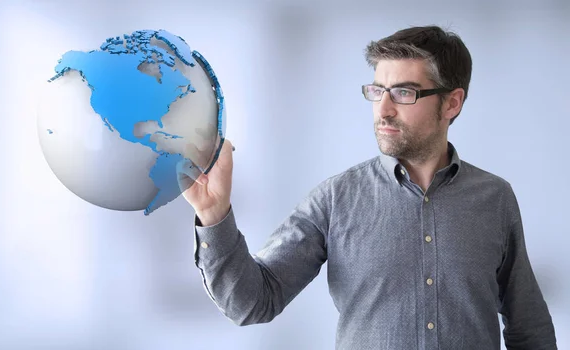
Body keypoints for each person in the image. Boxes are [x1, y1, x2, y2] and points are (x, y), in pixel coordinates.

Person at [182, 25, 557, 349]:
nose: (383, 109)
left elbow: (530, 331)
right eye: (377, 91)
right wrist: (214, 216)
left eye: (404, 93)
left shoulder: (495, 198)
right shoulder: (335, 199)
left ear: (452, 103)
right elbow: (251, 303)